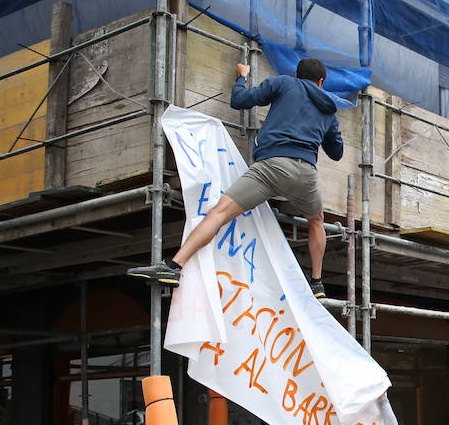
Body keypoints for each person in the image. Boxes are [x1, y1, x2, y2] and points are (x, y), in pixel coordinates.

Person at [128, 58, 345, 298]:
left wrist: (241, 76)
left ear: (297, 75)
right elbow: (337, 153)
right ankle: (317, 283)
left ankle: (173, 267)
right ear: (321, 82)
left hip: (271, 167)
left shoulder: (284, 84)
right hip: (306, 174)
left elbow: (239, 101)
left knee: (219, 213)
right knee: (316, 221)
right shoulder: (329, 109)